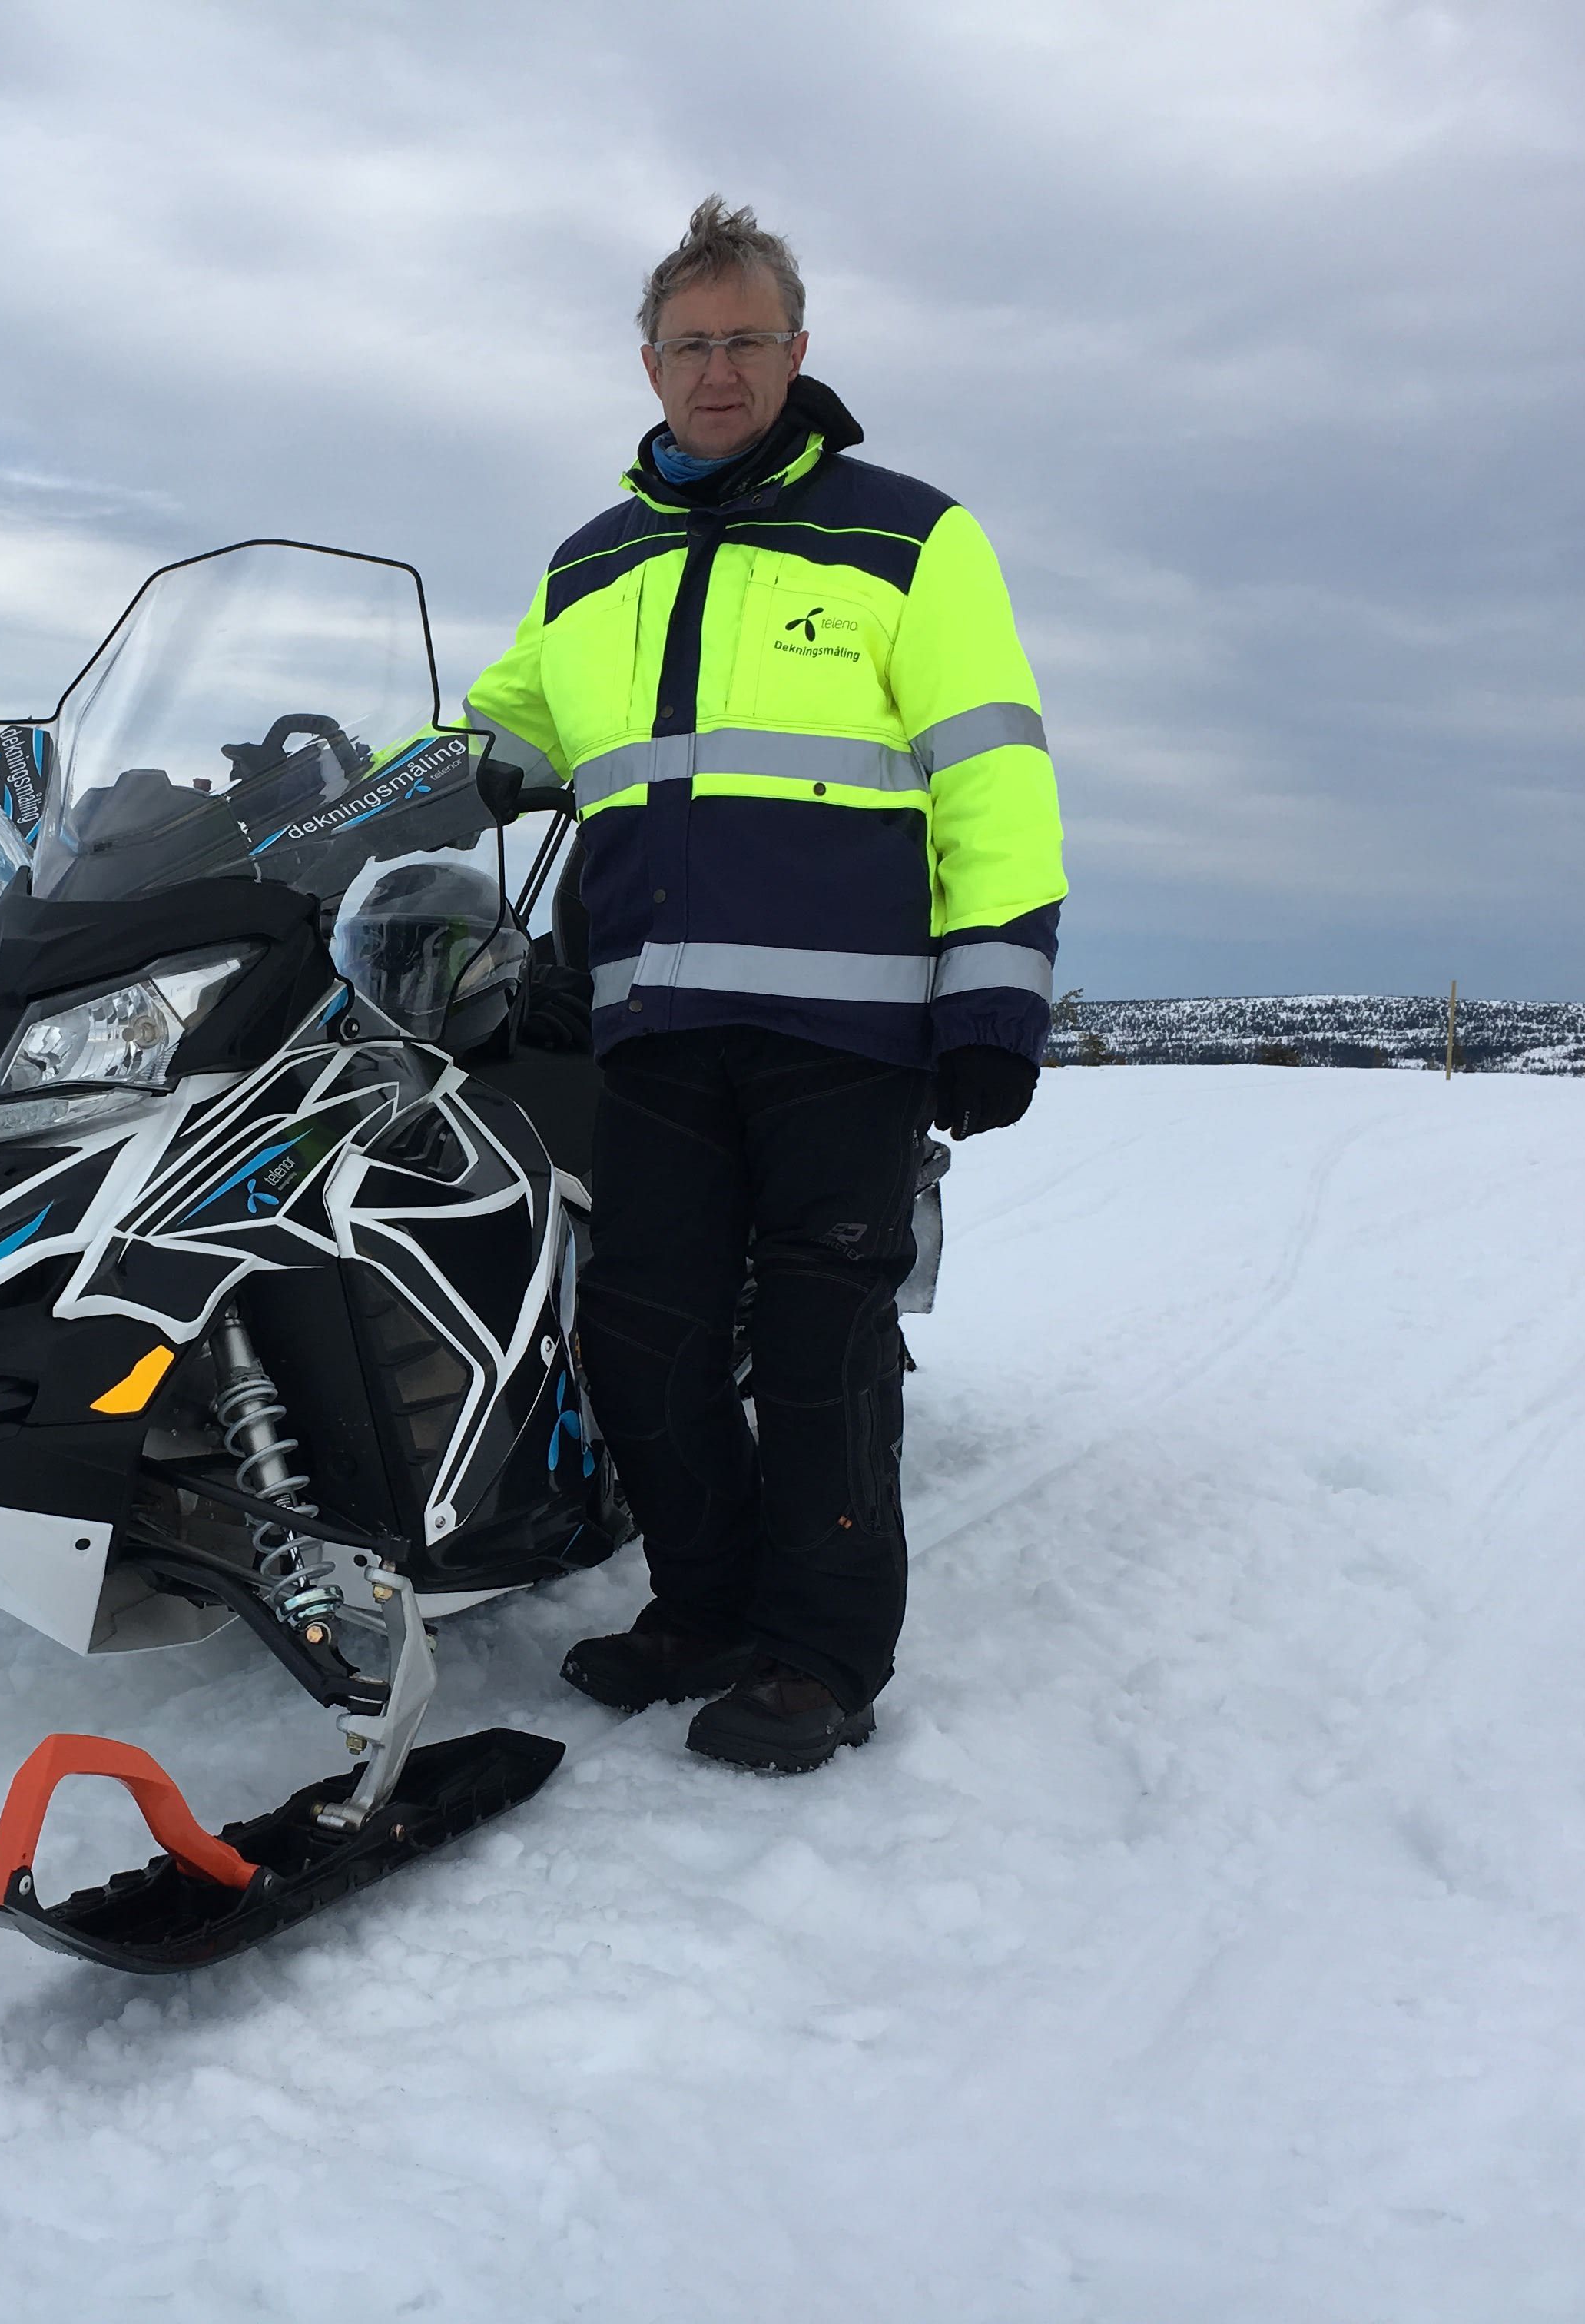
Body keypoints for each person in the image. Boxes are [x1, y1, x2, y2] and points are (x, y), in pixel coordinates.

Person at [461, 197, 1066, 1773]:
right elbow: (496, 738)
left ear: (798, 353)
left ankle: (820, 1656)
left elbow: (990, 771)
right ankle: (706, 1605)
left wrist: (995, 996)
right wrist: (327, 802)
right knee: (644, 1347)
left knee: (820, 1355)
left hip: (845, 1034)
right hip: (651, 1026)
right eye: (689, 344)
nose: (716, 369)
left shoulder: (909, 537)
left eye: (745, 340)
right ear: (648, 364)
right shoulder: (591, 568)